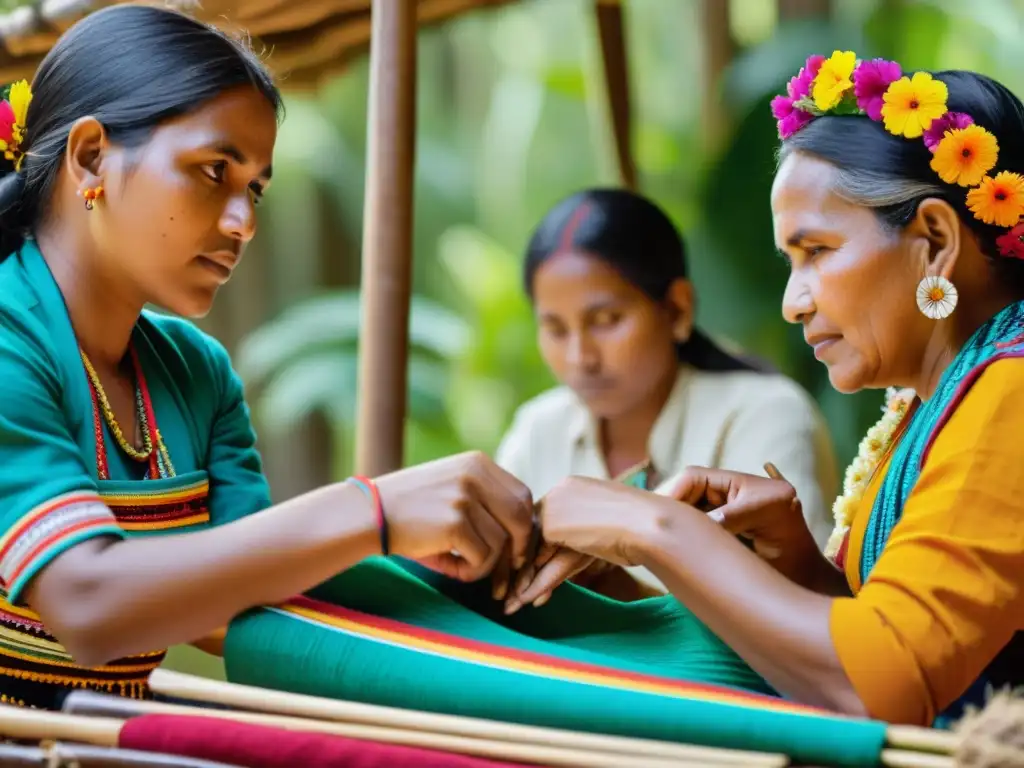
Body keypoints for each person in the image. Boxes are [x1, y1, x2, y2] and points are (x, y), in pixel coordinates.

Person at [0, 5, 533, 710]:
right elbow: (88, 606)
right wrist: (374, 512)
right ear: (92, 155)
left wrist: (467, 553)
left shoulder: (196, 372)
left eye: (254, 187)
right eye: (213, 169)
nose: (243, 222)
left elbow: (239, 603)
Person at [509, 55, 1024, 727]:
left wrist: (655, 528)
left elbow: (888, 681)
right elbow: (902, 628)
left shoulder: (1011, 390)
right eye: (791, 262)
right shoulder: (935, 402)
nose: (792, 302)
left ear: (933, 239)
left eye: (816, 252)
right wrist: (801, 568)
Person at [495, 188, 837, 600]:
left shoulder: (764, 416)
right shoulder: (538, 430)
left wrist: (621, 591)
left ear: (677, 309)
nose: (579, 357)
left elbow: (800, 611)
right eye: (555, 329)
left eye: (606, 320)